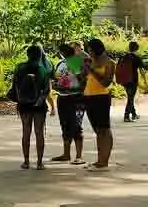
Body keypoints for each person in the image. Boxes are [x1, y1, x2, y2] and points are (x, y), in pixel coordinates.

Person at [9, 45, 52, 170]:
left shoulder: (19, 67)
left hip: (24, 104)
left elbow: (14, 85)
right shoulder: (43, 69)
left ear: (27, 54)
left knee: (26, 132)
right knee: (39, 133)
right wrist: (40, 101)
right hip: (38, 105)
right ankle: (39, 163)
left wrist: (19, 99)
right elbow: (46, 90)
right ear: (40, 55)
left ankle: (26, 161)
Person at [50, 42, 86, 165]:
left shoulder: (76, 62)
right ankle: (66, 154)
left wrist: (76, 89)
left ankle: (79, 156)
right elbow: (56, 78)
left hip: (75, 98)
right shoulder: (60, 64)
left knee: (76, 125)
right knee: (65, 125)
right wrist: (56, 85)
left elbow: (83, 80)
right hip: (62, 97)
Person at [82, 38, 115, 171]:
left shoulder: (109, 62)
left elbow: (106, 82)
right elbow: (84, 78)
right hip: (88, 96)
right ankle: (99, 159)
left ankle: (104, 161)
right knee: (97, 130)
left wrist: (92, 71)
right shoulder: (90, 61)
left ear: (97, 49)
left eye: (90, 50)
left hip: (101, 97)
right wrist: (83, 70)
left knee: (104, 129)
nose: (89, 52)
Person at [116, 41, 145, 122]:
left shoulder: (123, 57)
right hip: (133, 80)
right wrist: (145, 81)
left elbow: (118, 68)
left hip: (124, 80)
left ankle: (134, 114)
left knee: (130, 97)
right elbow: (142, 70)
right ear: (137, 48)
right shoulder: (136, 58)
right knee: (130, 98)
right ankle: (126, 116)